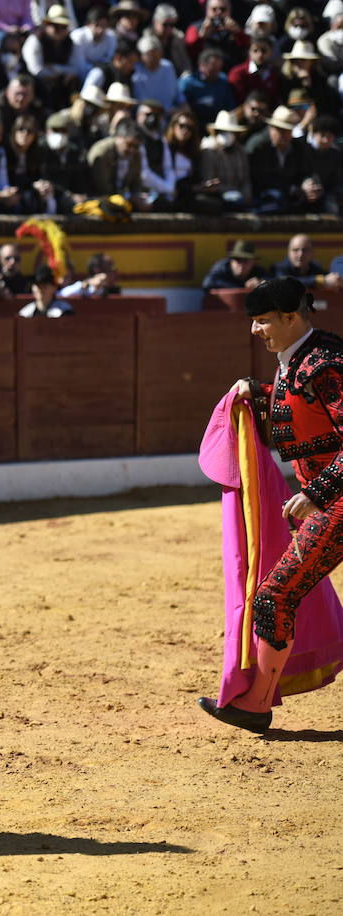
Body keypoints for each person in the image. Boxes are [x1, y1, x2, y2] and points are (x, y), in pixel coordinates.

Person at [199, 277, 343, 732]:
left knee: (275, 595)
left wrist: (316, 493)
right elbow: (301, 414)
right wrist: (255, 394)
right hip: (328, 504)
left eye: (263, 320)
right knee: (280, 595)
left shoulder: (326, 363)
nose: (255, 330)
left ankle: (255, 706)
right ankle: (255, 703)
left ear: (290, 316)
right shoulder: (298, 358)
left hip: (335, 504)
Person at [273, 234, 341, 290]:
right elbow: (285, 283)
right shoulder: (278, 268)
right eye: (295, 250)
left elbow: (328, 279)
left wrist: (334, 280)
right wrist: (320, 281)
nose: (300, 254)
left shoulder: (316, 267)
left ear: (312, 252)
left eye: (305, 250)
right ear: (288, 252)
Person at [203, 239, 267, 290]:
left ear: (253, 262)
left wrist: (261, 283)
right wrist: (242, 287)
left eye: (245, 261)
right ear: (231, 260)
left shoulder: (257, 270)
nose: (241, 265)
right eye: (237, 260)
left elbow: (272, 282)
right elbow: (208, 283)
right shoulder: (222, 268)